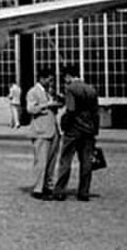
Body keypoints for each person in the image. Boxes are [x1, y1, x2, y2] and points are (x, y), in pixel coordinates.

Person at [51, 67, 100, 201]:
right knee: (86, 162)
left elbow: (71, 110)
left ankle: (60, 190)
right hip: (89, 130)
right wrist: (95, 129)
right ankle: (84, 192)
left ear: (68, 76)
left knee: (66, 160)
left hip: (73, 130)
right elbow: (96, 112)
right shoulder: (91, 89)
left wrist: (64, 123)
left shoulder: (70, 89)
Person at [26, 67, 62, 199]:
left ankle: (48, 186)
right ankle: (38, 188)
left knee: (52, 161)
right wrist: (46, 105)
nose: (51, 82)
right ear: (42, 78)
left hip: (53, 130)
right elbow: (30, 109)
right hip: (41, 131)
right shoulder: (33, 92)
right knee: (41, 161)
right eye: (49, 80)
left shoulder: (50, 92)